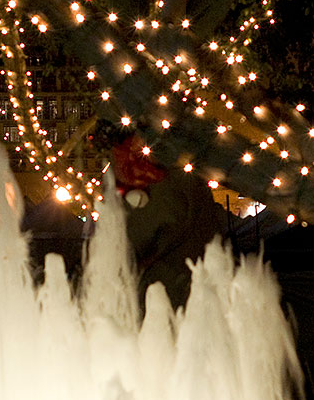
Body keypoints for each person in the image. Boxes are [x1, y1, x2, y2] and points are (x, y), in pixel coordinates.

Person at [95, 122, 226, 308]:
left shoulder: (157, 186)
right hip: (194, 285)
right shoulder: (185, 175)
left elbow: (137, 239)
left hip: (171, 289)